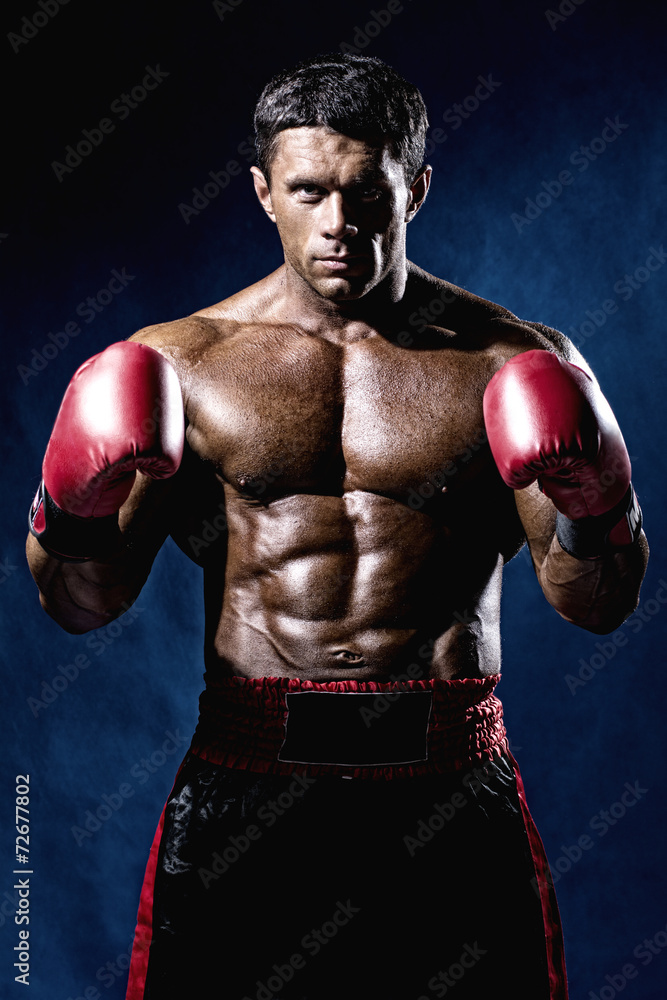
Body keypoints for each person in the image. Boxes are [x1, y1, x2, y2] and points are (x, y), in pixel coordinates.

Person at [26, 54, 648, 1000]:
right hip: (247, 784)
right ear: (261, 192)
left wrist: (598, 509)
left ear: (417, 188)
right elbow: (81, 604)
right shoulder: (181, 364)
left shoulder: (509, 362)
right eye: (308, 190)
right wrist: (69, 509)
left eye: (366, 192)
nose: (337, 223)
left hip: (447, 781)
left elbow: (594, 606)